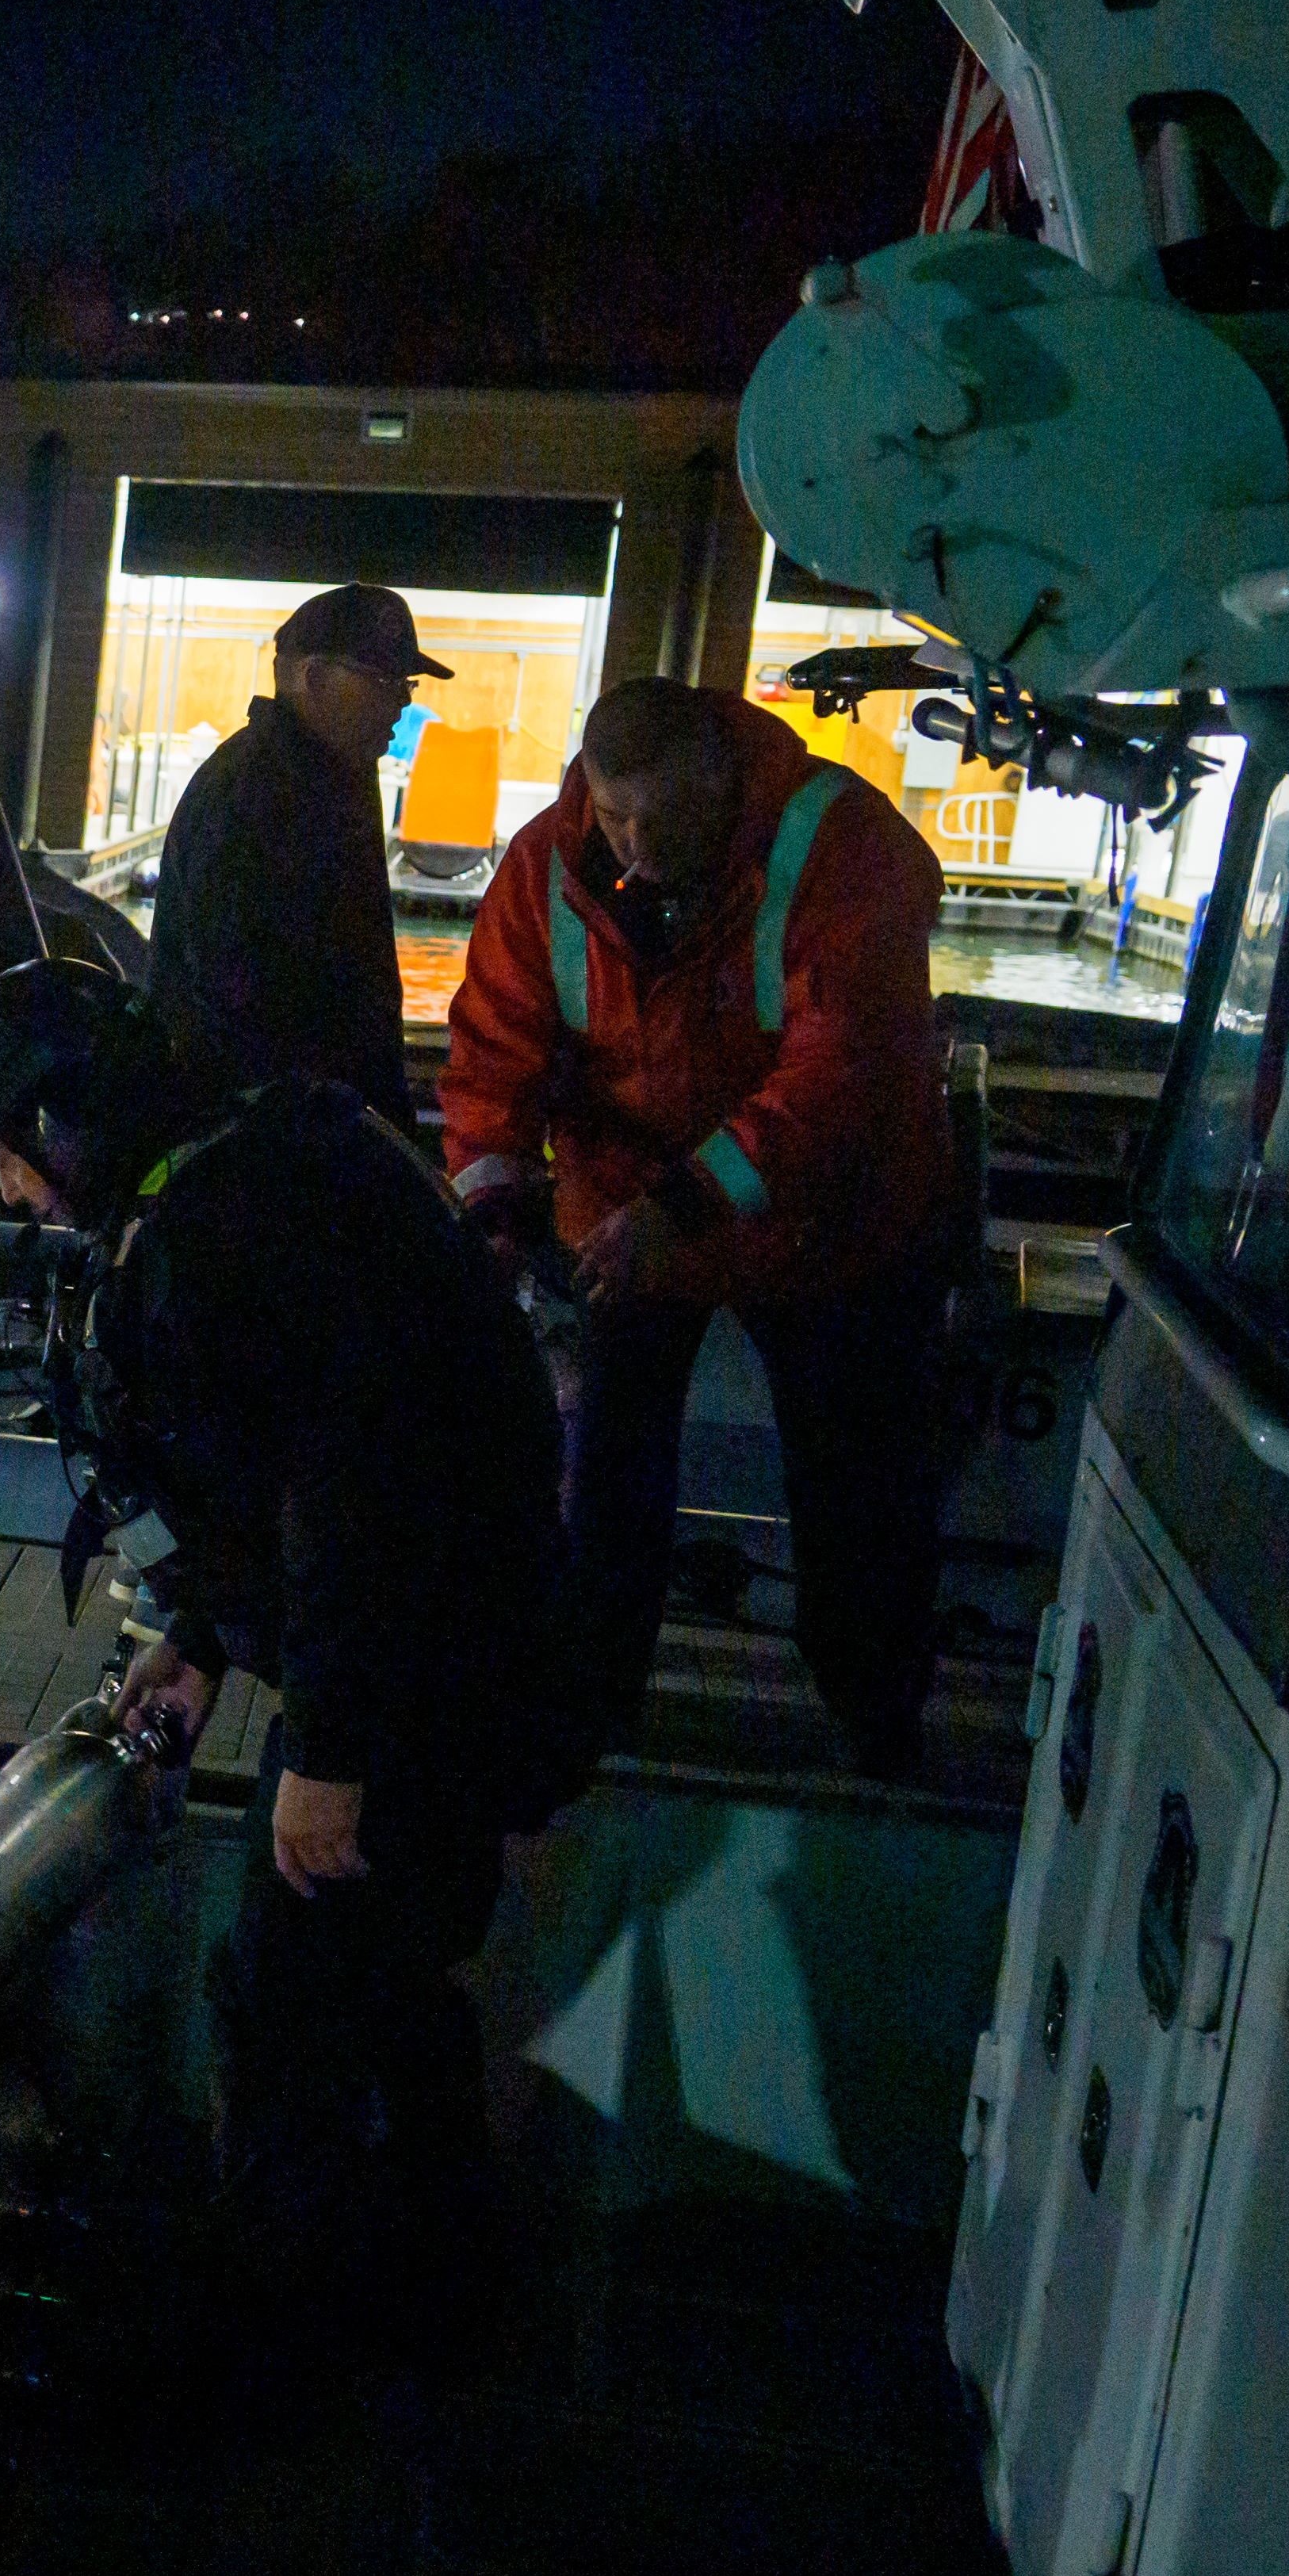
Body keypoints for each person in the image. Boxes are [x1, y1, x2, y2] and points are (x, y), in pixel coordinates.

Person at [0, 958, 573, 2333]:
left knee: (287, 1999)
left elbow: (357, 1497)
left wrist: (330, 1756)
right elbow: (274, 1466)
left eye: (7, 1162)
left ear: (64, 1128)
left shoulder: (231, 1229)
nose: (8, 1199)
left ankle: (271, 2338)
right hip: (453, 1650)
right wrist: (200, 1637)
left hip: (417, 1679)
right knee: (391, 1975)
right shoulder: (246, 1176)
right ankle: (446, 2291)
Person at [440, 674, 954, 1782]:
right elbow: (493, 1049)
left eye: (660, 821)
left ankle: (875, 1725)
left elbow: (843, 1075)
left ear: (723, 783)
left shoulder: (842, 848)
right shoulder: (547, 864)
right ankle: (587, 1716)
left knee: (856, 1481)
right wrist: (493, 1206)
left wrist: (678, 1207)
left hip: (828, 1225)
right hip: (629, 1216)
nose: (633, 843)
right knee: (605, 1473)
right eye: (614, 814)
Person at [143, 582, 445, 1120]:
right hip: (269, 1143)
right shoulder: (254, 791)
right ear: (315, 680)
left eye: (407, 682)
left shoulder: (333, 776)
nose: (402, 699)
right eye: (384, 680)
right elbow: (236, 997)